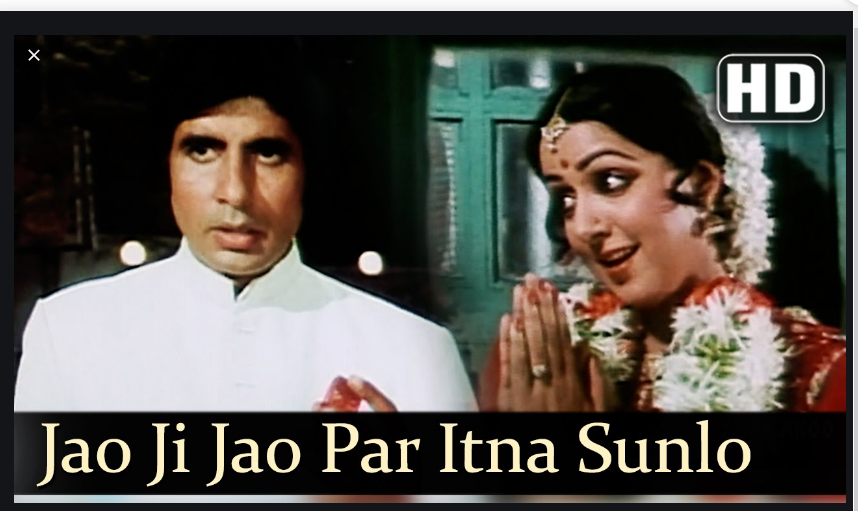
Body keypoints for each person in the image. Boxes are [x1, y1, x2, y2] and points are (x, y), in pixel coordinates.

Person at [14, 37, 475, 413]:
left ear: (308, 170)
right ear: (166, 165)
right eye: (202, 150)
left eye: (268, 152)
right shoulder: (70, 331)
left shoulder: (413, 349)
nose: (235, 191)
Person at [479, 65, 846, 413]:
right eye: (566, 199)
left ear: (701, 184)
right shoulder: (539, 360)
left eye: (610, 181)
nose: (584, 227)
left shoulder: (822, 373)